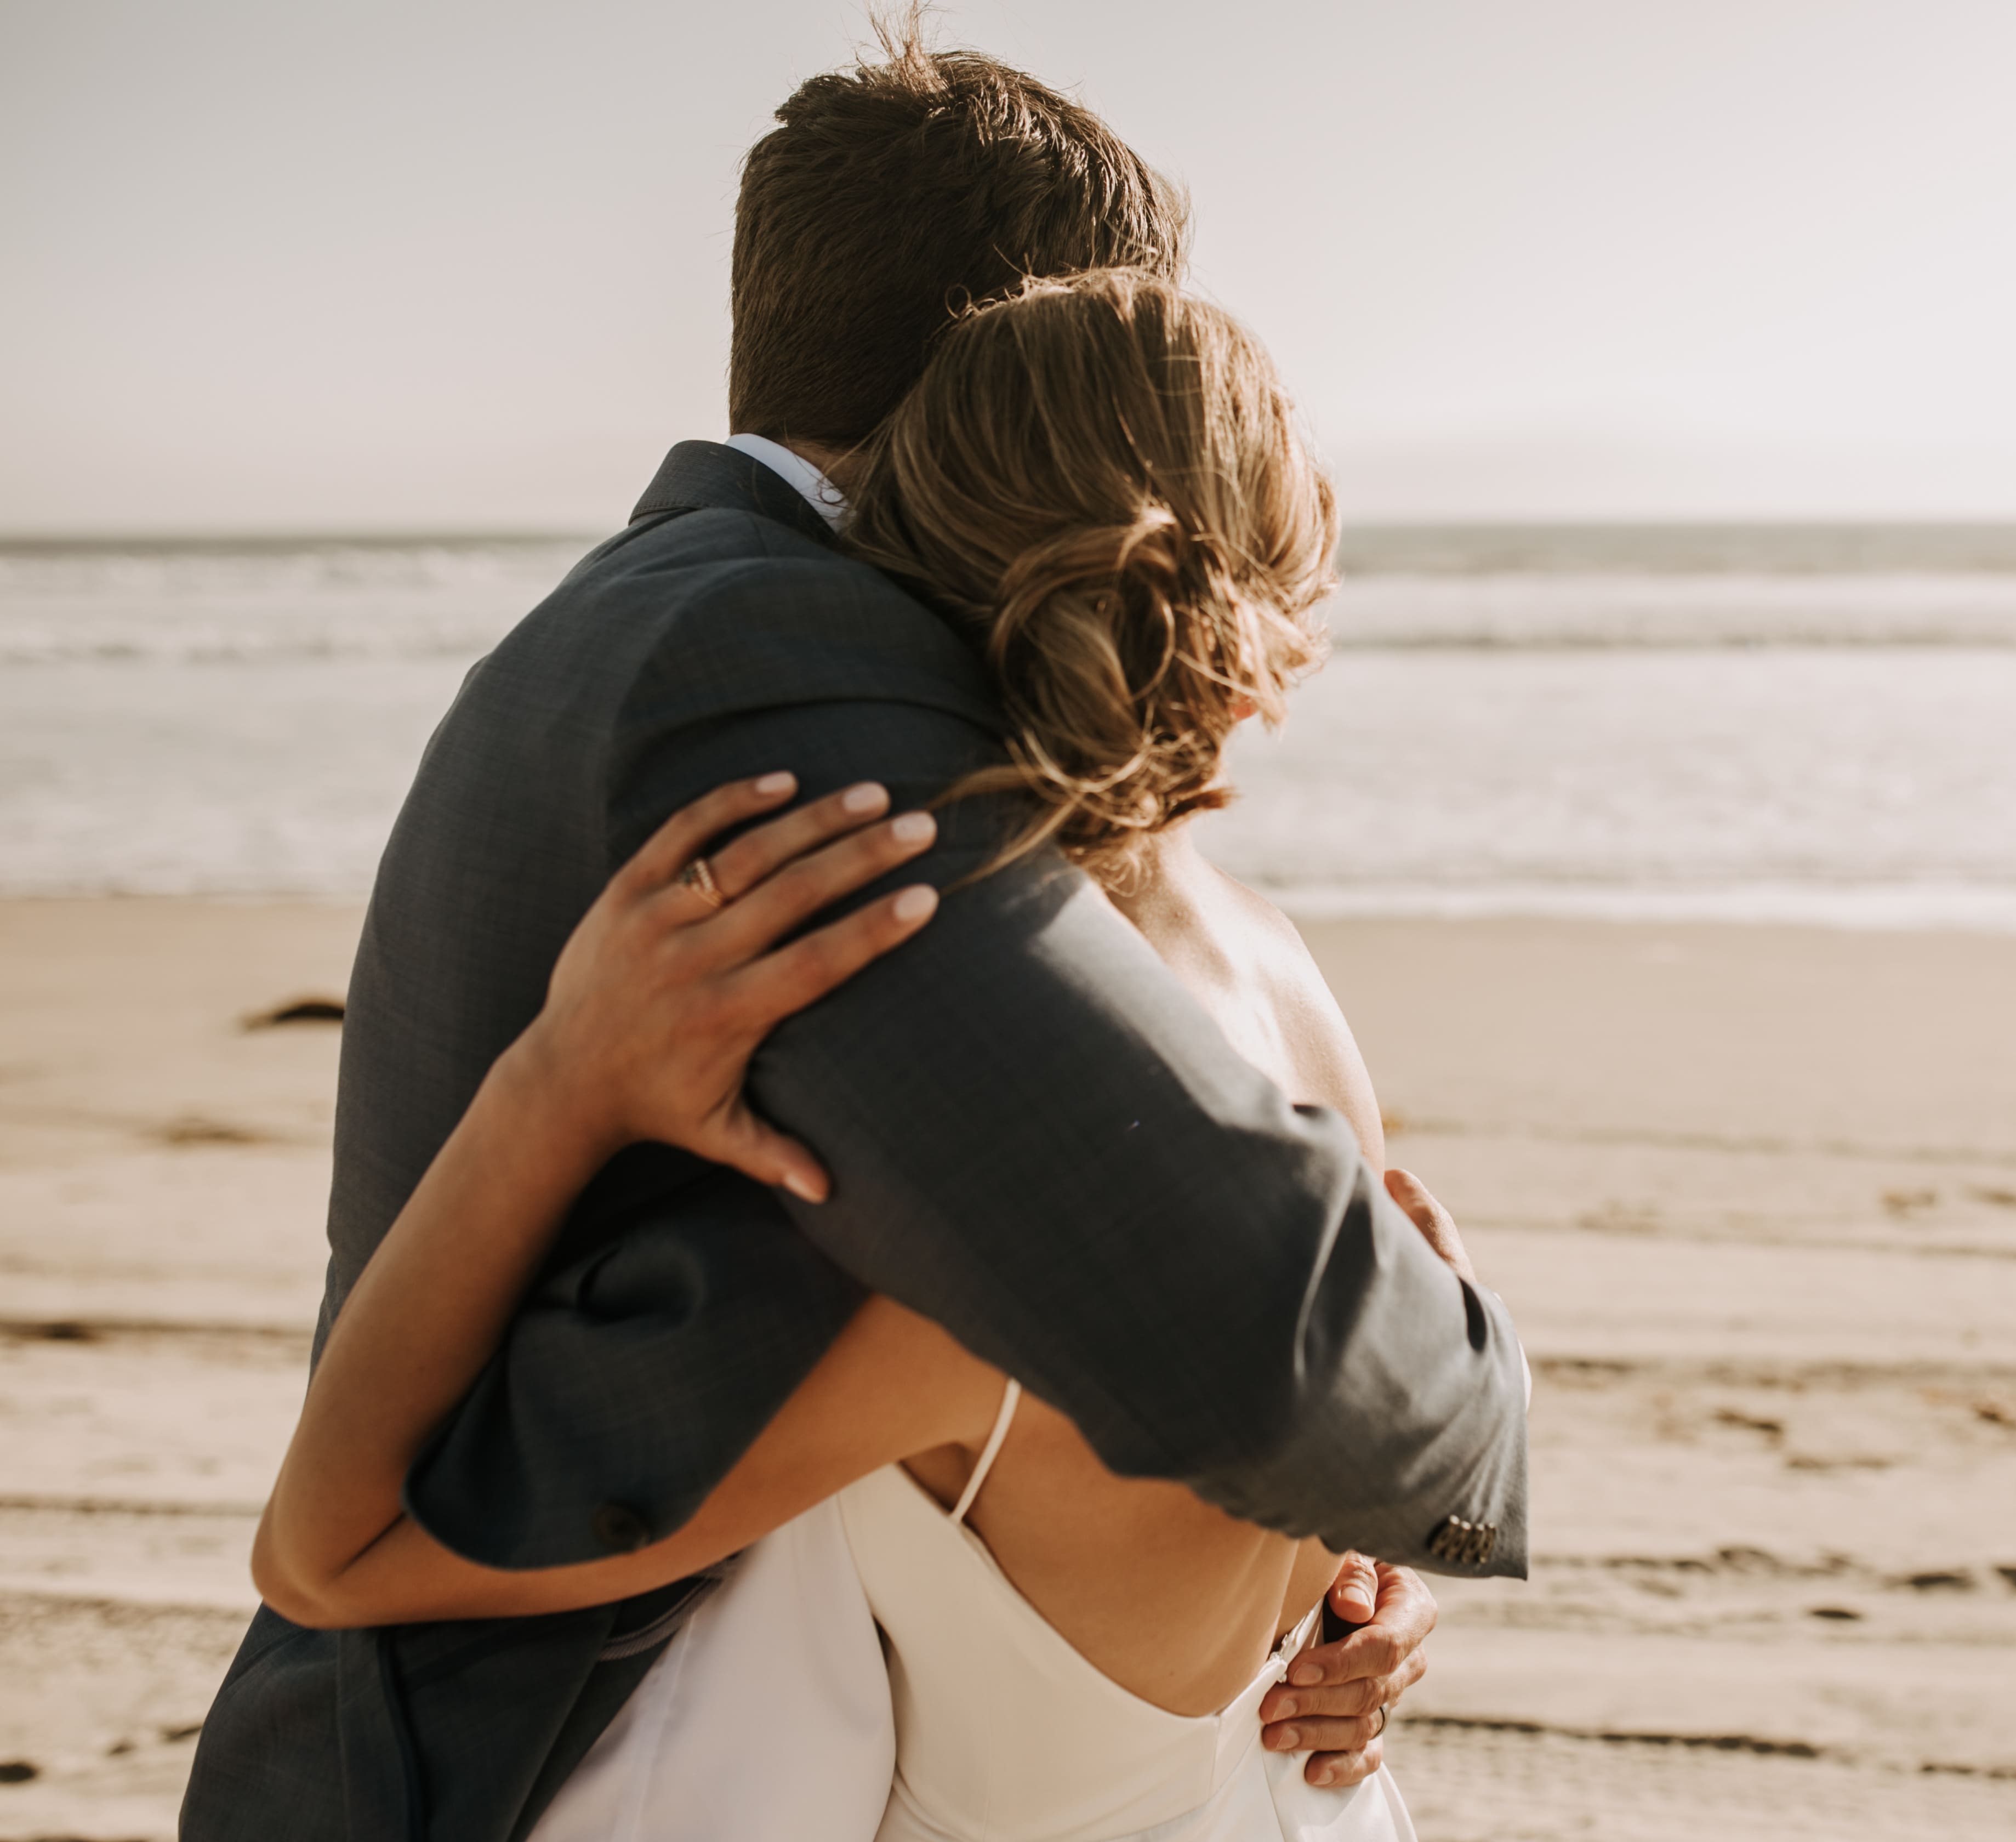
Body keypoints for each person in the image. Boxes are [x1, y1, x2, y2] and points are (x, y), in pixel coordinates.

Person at [181, 38, 1527, 1842]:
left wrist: (1357, 1558)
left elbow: (1213, 1342)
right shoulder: (781, 648)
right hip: (533, 1749)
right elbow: (1244, 1331)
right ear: (1003, 350)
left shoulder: (680, 613)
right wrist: (1454, 1420)